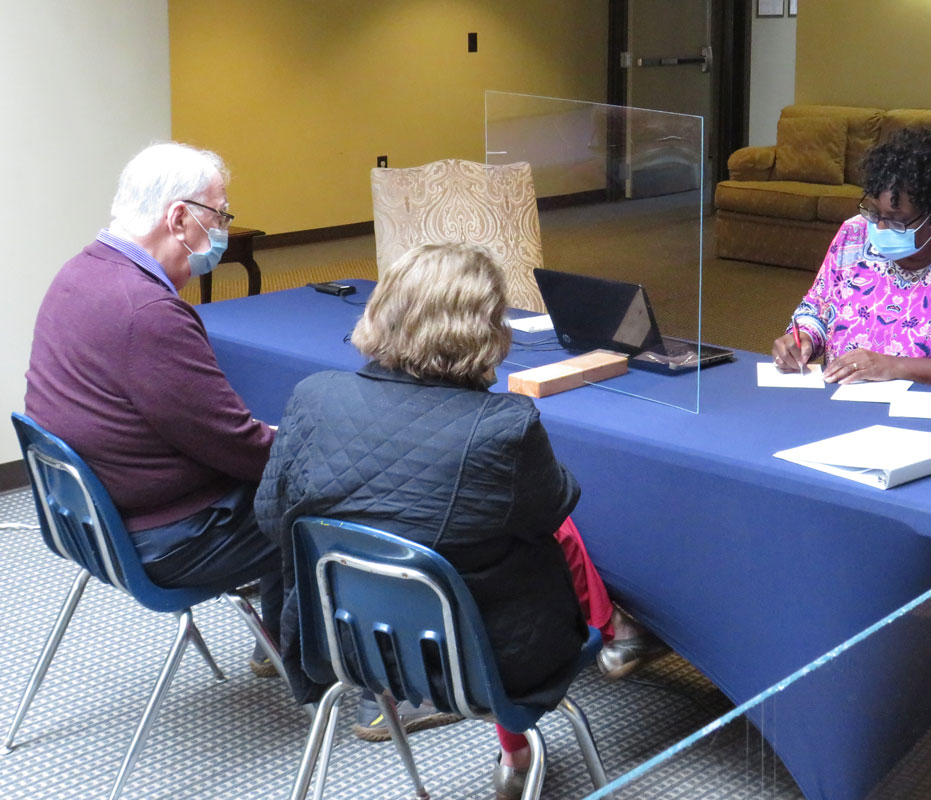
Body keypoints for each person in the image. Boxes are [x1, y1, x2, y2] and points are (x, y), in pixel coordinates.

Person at [254, 242, 658, 799]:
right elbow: (557, 504)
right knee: (526, 547)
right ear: (488, 330)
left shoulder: (312, 396)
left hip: (344, 647)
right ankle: (607, 641)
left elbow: (270, 519)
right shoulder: (504, 426)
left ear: (382, 308)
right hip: (484, 664)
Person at [24, 142, 282, 670]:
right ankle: (374, 681)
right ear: (179, 218)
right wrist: (307, 446)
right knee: (333, 490)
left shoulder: (78, 273)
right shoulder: (147, 310)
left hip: (88, 522)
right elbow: (238, 447)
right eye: (220, 214)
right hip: (164, 538)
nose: (223, 230)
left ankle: (278, 640)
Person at [772, 127, 931, 397]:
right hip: (842, 403)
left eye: (897, 219)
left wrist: (896, 367)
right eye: (874, 212)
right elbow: (816, 309)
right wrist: (804, 339)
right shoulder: (854, 234)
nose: (879, 227)